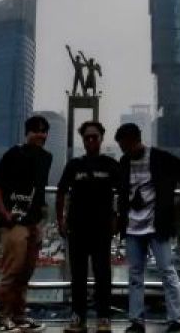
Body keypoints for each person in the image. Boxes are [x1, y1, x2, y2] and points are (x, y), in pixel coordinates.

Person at [114, 123, 180, 333]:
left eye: (125, 146)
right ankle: (136, 321)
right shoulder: (124, 162)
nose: (124, 150)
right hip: (133, 226)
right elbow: (122, 193)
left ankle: (175, 320)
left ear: (135, 141)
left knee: (167, 272)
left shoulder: (160, 158)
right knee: (135, 275)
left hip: (157, 225)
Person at [0, 116, 54, 333]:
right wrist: (4, 213)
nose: (40, 135)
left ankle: (19, 315)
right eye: (36, 131)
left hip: (34, 221)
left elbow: (39, 188)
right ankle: (3, 316)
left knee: (27, 271)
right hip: (14, 221)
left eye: (44, 131)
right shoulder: (14, 154)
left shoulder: (46, 158)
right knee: (12, 270)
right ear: (27, 133)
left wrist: (42, 213)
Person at [56, 121, 122, 333]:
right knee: (78, 275)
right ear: (82, 140)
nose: (91, 140)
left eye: (95, 137)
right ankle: (78, 318)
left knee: (103, 274)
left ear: (102, 138)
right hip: (77, 228)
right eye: (87, 137)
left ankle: (104, 318)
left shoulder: (111, 165)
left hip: (102, 228)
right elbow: (60, 192)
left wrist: (117, 219)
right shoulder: (74, 165)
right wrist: (60, 220)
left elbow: (124, 193)